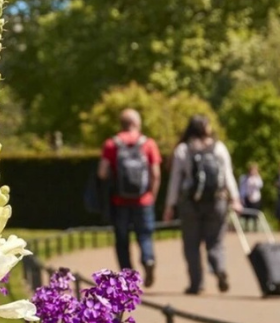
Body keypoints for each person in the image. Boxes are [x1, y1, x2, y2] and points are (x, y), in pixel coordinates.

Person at [163, 115, 242, 295]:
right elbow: (228, 175)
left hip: (190, 203)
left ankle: (196, 284)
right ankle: (219, 267)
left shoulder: (183, 150)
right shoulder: (219, 148)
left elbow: (175, 180)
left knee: (191, 245)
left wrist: (169, 206)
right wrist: (235, 199)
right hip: (217, 201)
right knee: (216, 241)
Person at [97, 108, 161, 287]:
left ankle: (128, 277)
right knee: (145, 235)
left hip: (120, 201)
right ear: (136, 123)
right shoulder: (148, 144)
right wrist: (152, 195)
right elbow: (155, 174)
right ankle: (148, 260)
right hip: (144, 200)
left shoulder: (112, 144)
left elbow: (102, 172)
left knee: (122, 240)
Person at [238, 163, 263, 232]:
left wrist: (255, 177)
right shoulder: (244, 178)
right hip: (247, 198)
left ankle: (255, 228)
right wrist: (241, 197)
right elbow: (242, 188)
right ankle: (246, 228)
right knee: (246, 215)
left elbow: (260, 185)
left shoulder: (257, 178)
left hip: (255, 198)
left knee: (255, 214)